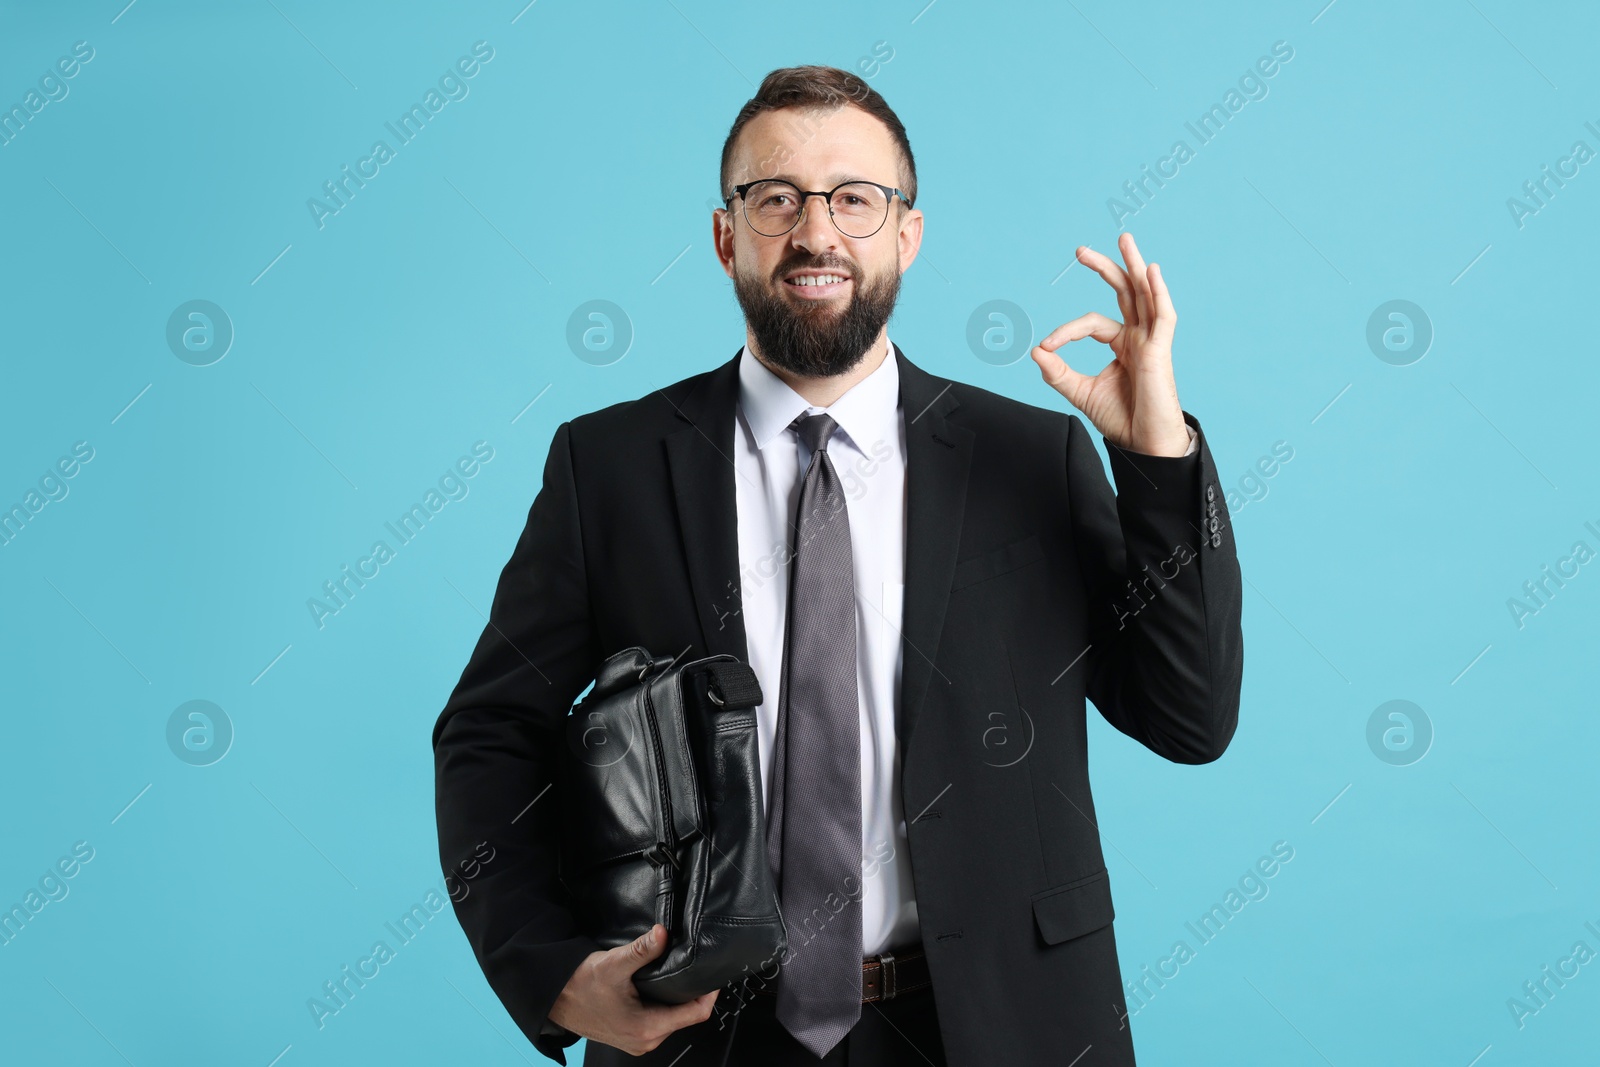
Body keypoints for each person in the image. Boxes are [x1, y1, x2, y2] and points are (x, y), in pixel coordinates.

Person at [432, 64, 1243, 1067]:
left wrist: (1156, 459)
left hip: (1002, 1025)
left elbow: (1189, 715)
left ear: (906, 233)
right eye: (775, 199)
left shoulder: (1030, 460)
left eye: (855, 198)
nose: (816, 232)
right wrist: (553, 972)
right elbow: (489, 732)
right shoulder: (610, 468)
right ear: (727, 236)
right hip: (701, 1033)